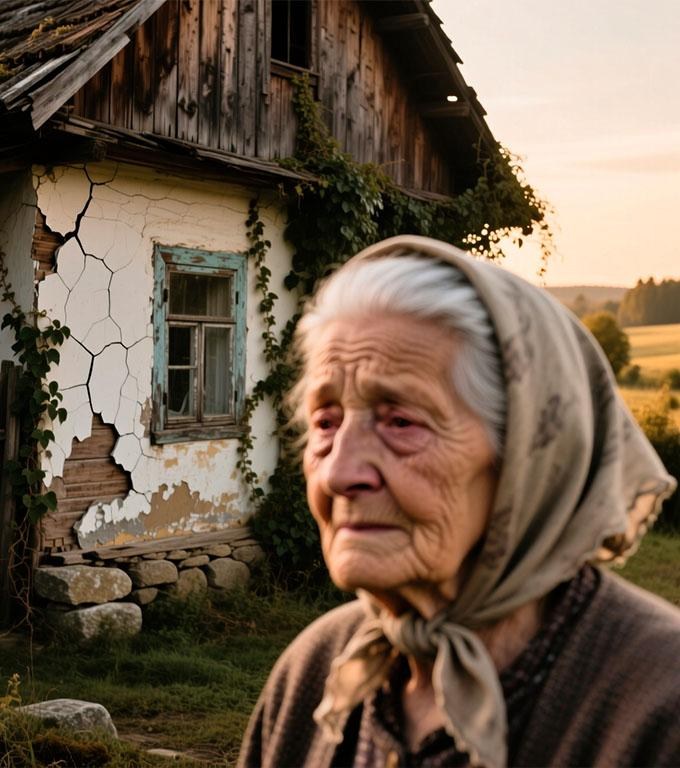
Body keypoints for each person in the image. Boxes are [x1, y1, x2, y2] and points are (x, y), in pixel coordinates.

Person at [238, 235, 680, 768]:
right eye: (325, 423)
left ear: (526, 460)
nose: (337, 473)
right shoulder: (314, 674)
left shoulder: (659, 707)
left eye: (401, 422)